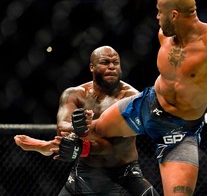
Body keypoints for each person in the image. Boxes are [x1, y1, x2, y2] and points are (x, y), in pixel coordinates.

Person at [76, 0, 207, 196]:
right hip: (148, 104)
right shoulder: (164, 35)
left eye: (159, 12)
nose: (156, 17)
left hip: (180, 130)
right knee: (92, 131)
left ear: (173, 14)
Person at [14, 46, 160, 196]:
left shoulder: (131, 98)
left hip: (124, 175)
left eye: (115, 62)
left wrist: (81, 137)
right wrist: (78, 128)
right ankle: (52, 147)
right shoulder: (75, 94)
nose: (111, 66)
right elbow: (62, 129)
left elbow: (115, 147)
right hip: (83, 174)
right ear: (92, 67)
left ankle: (50, 147)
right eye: (105, 62)